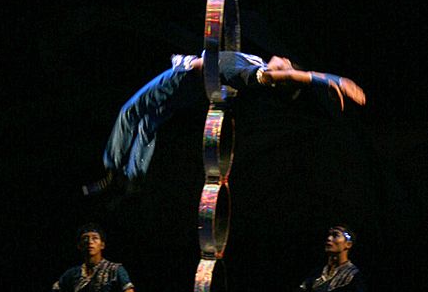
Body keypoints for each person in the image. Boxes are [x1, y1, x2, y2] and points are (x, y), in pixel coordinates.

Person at [83, 52, 366, 193]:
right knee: (149, 124)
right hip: (188, 90)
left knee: (130, 113)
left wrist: (329, 79)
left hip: (179, 81)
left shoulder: (254, 75)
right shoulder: (253, 66)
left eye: (287, 66)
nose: (287, 61)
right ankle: (132, 177)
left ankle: (111, 167)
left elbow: (291, 77)